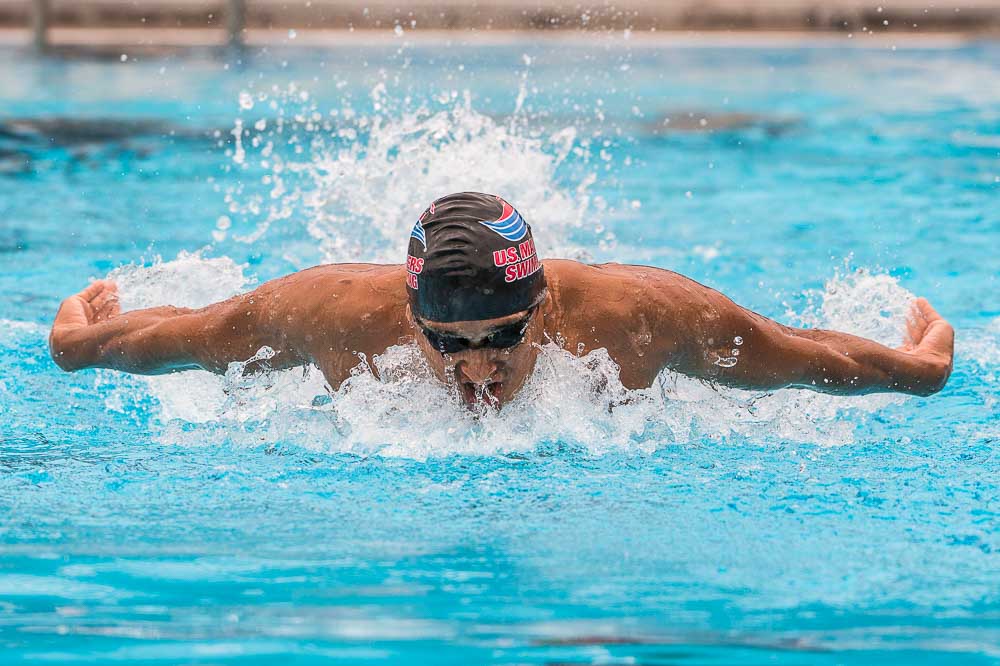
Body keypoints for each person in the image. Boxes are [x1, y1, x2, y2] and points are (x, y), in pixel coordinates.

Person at [49, 192, 954, 409]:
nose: (476, 368)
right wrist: (76, 342)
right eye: (447, 344)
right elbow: (177, 338)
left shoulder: (641, 319)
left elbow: (807, 356)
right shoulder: (328, 318)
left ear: (545, 303)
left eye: (504, 337)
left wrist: (918, 370)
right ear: (411, 318)